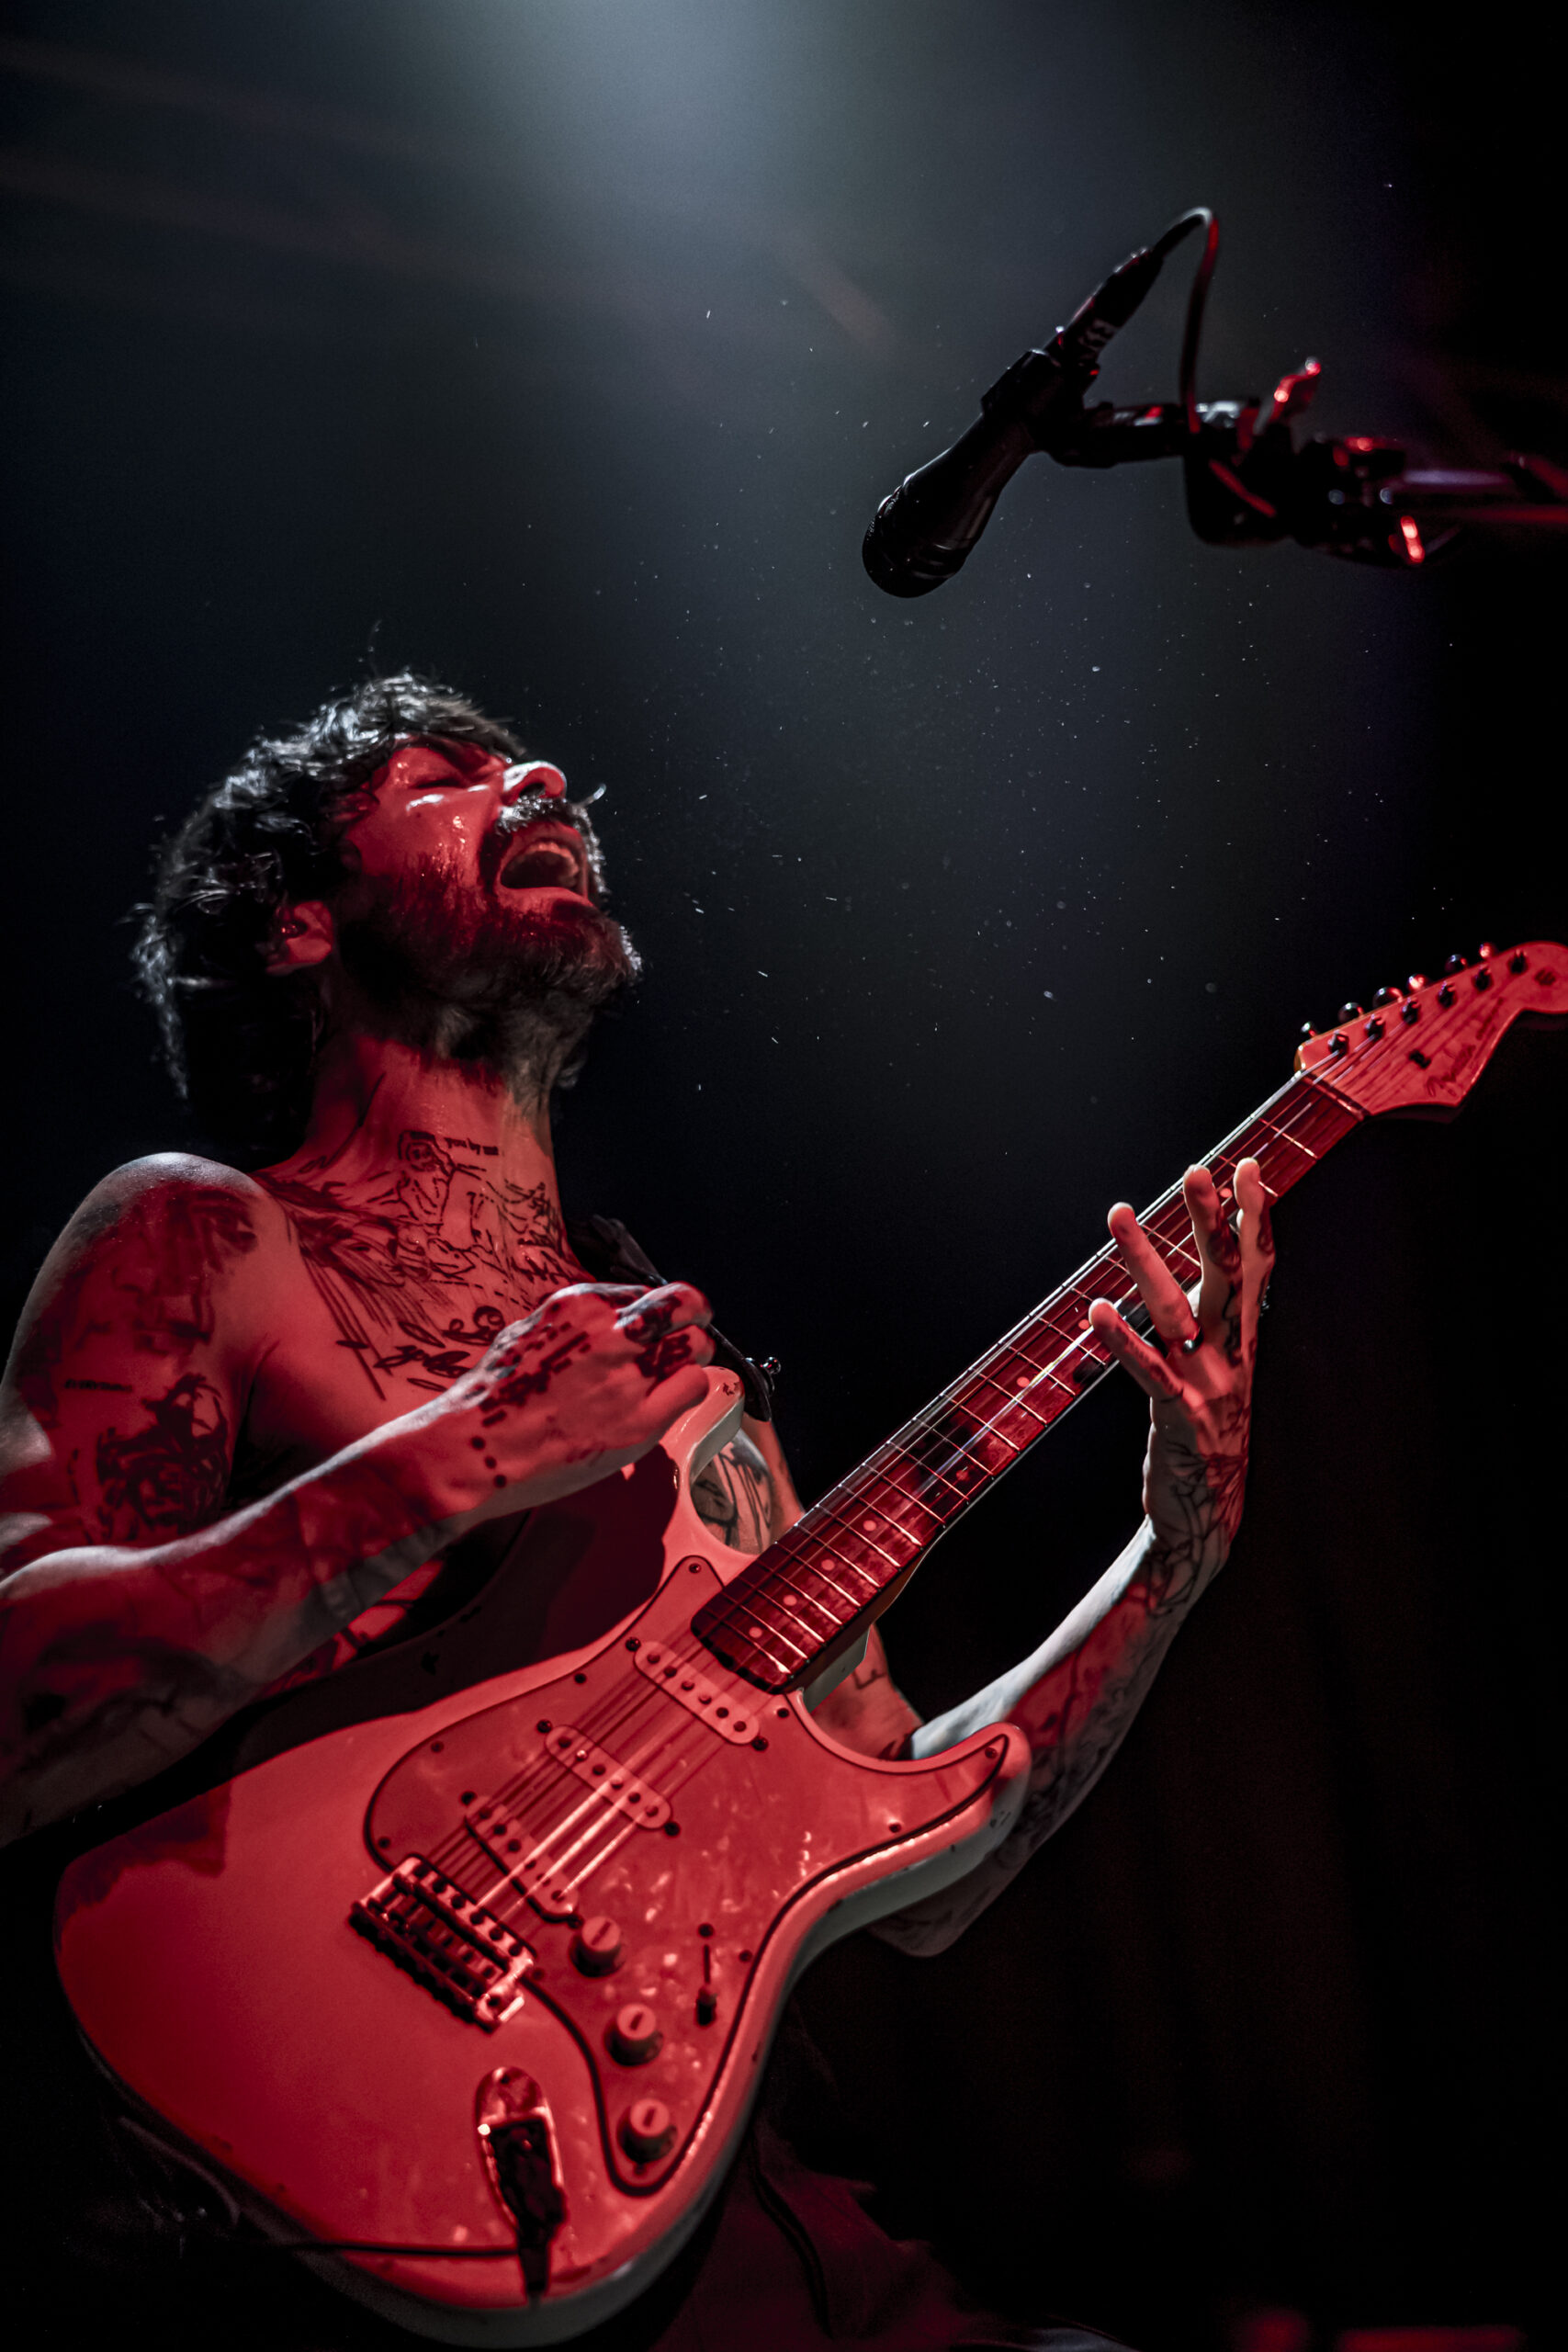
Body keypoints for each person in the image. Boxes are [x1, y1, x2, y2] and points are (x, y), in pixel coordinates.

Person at [0, 674, 1274, 2352]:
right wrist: (458, 1458)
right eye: (444, 776)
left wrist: (1172, 1557)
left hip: (695, 2188)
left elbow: (923, 1873)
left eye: (523, 761)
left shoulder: (695, 1390)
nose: (536, 773)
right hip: (298, 2203)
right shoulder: (206, 1235)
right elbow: (22, 1708)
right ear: (300, 921)